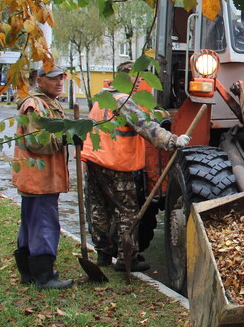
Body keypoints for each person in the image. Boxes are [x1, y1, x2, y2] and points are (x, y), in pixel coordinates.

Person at [82, 61, 191, 271]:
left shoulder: (101, 99)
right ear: (125, 78)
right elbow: (145, 126)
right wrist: (172, 140)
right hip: (117, 164)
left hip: (94, 161)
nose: (140, 80)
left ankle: (103, 254)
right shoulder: (124, 101)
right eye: (136, 76)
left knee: (99, 210)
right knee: (127, 212)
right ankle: (127, 259)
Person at [12, 65, 74, 290]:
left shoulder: (47, 103)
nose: (60, 82)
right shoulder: (35, 105)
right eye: (54, 78)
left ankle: (30, 273)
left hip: (38, 178)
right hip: (40, 179)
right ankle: (45, 277)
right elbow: (37, 142)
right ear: (39, 80)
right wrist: (65, 138)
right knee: (44, 224)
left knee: (31, 223)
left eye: (61, 78)